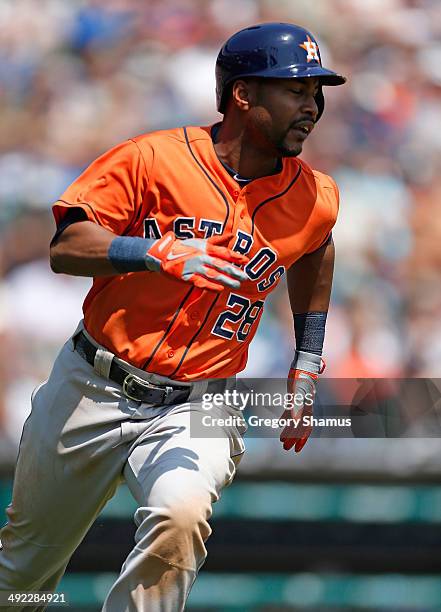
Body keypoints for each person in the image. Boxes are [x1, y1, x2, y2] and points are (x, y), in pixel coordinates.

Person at [0, 22, 346, 612]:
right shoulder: (152, 158)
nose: (311, 105)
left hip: (200, 400)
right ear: (243, 94)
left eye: (317, 91)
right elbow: (66, 247)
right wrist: (151, 251)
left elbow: (316, 247)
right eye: (295, 90)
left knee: (179, 517)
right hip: (94, 384)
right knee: (24, 577)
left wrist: (307, 360)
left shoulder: (314, 194)